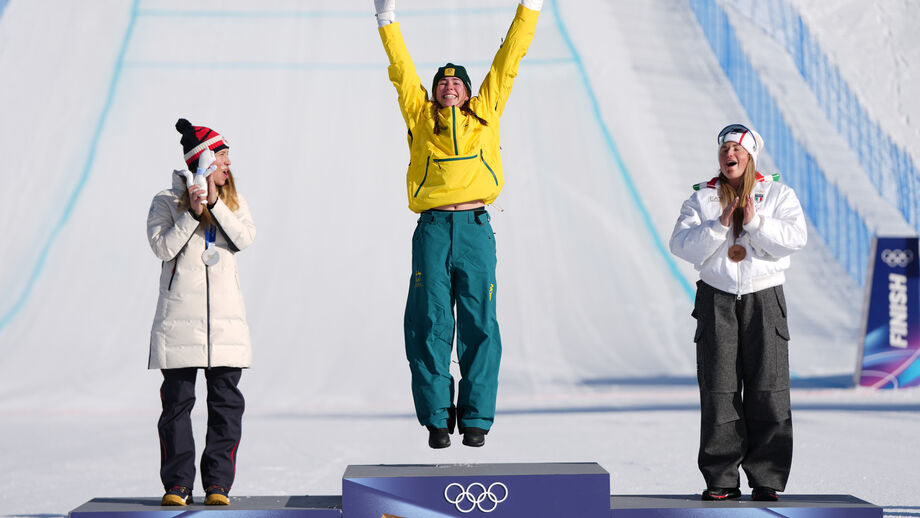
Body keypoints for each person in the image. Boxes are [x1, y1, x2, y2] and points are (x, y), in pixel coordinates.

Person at [373, 0, 542, 448]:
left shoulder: (485, 113)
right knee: (428, 322)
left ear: (467, 92)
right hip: (432, 229)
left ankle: (476, 418)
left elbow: (508, 60)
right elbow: (402, 69)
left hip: (474, 228)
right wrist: (386, 18)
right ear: (434, 92)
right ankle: (435, 416)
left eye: (456, 83)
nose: (449, 87)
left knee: (479, 323)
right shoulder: (420, 116)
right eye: (442, 83)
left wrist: (530, 7)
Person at [669, 124, 807, 502]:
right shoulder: (703, 199)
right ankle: (721, 478)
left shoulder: (778, 194)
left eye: (737, 150)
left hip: (764, 299)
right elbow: (681, 245)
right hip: (717, 299)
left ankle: (767, 478)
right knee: (719, 389)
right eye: (724, 150)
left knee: (768, 388)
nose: (729, 155)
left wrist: (756, 222)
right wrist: (720, 225)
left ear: (750, 157)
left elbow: (795, 238)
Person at [146, 118, 256, 506]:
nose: (228, 166)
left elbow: (244, 238)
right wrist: (191, 213)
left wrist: (212, 205)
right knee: (176, 406)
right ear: (203, 163)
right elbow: (162, 249)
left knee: (226, 405)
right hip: (178, 322)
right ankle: (177, 484)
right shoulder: (164, 200)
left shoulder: (233, 201)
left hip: (226, 325)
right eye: (221, 159)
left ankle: (217, 486)